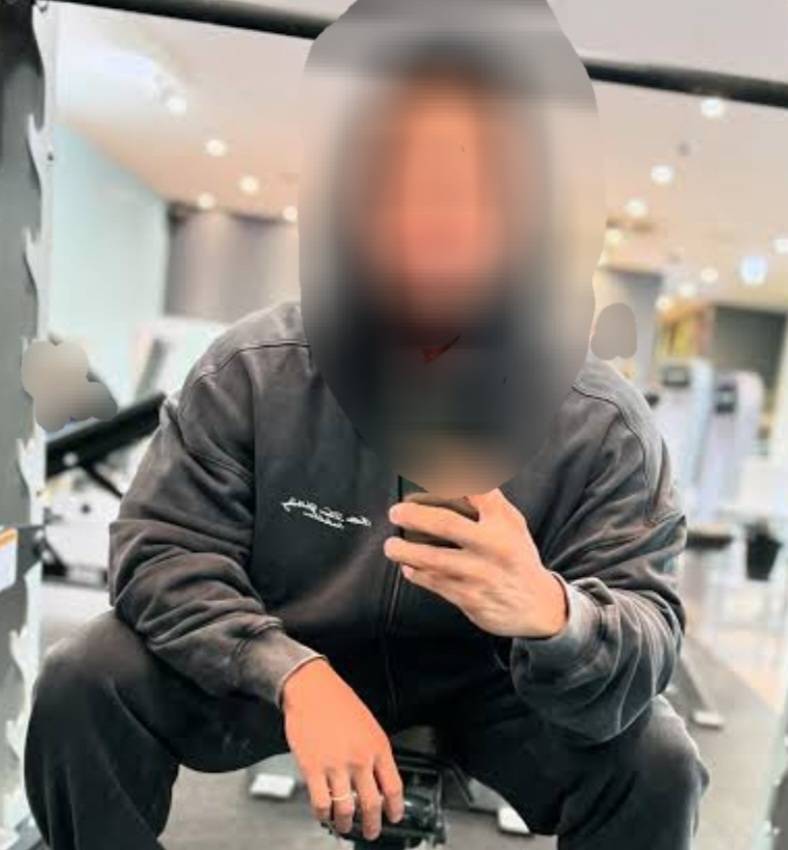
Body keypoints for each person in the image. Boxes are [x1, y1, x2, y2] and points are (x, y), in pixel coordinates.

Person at [25, 40, 708, 850]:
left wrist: (552, 614)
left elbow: (648, 630)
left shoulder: (603, 424)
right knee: (85, 678)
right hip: (287, 649)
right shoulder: (254, 370)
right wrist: (292, 673)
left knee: (657, 759)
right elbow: (160, 553)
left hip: (495, 688)